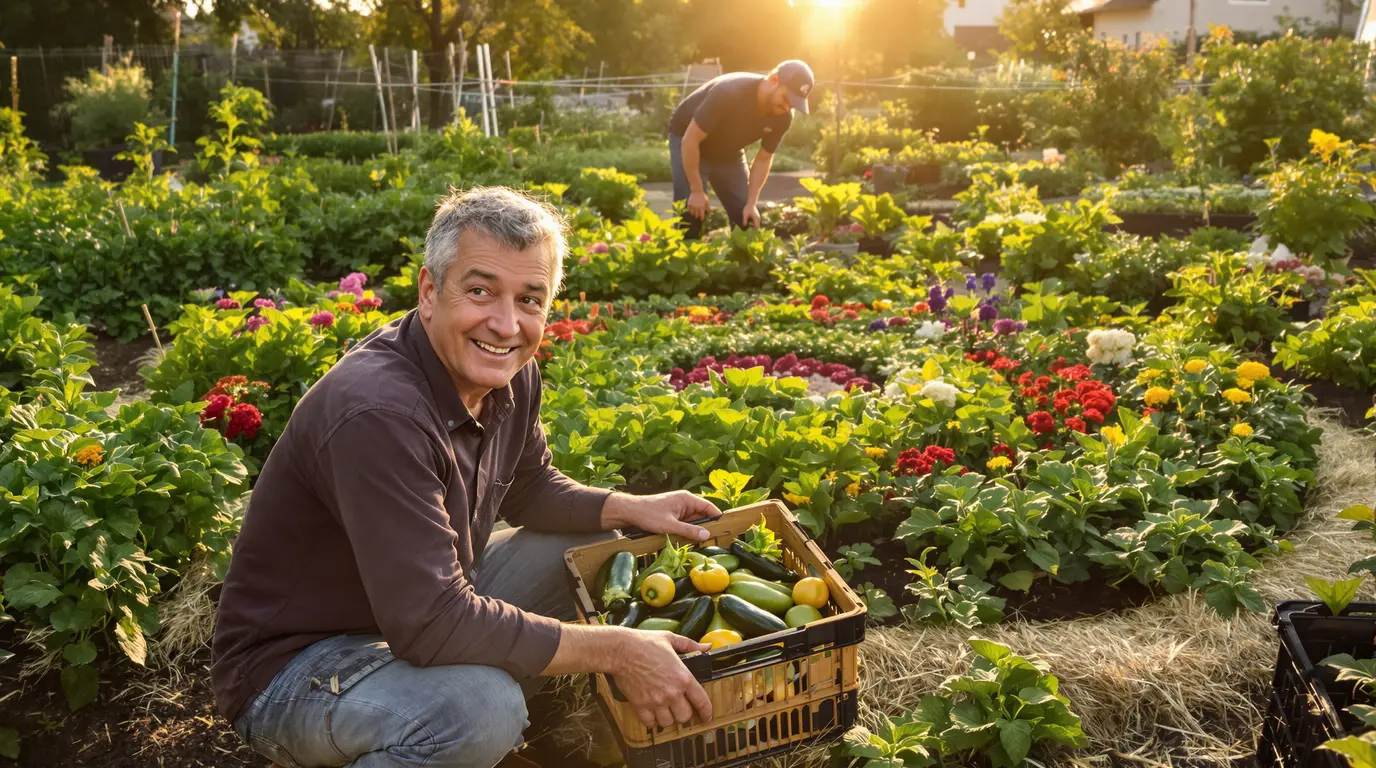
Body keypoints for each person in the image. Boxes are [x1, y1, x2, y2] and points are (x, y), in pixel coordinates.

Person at [212, 186, 723, 768]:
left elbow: (530, 487)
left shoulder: (506, 372)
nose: (506, 324)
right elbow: (432, 623)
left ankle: (455, 737)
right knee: (481, 711)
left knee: (593, 546)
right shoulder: (379, 412)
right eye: (480, 291)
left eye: (530, 300)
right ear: (430, 292)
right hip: (296, 668)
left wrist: (631, 507)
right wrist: (619, 650)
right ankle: (439, 735)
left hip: (408, 616)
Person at [668, 59, 815, 239]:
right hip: (690, 140)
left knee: (747, 219)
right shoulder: (728, 93)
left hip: (729, 151)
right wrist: (696, 190)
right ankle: (684, 253)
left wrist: (752, 203)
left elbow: (763, 159)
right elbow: (690, 140)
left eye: (793, 104)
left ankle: (740, 257)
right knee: (690, 215)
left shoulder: (783, 117)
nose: (787, 107)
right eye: (786, 99)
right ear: (774, 80)